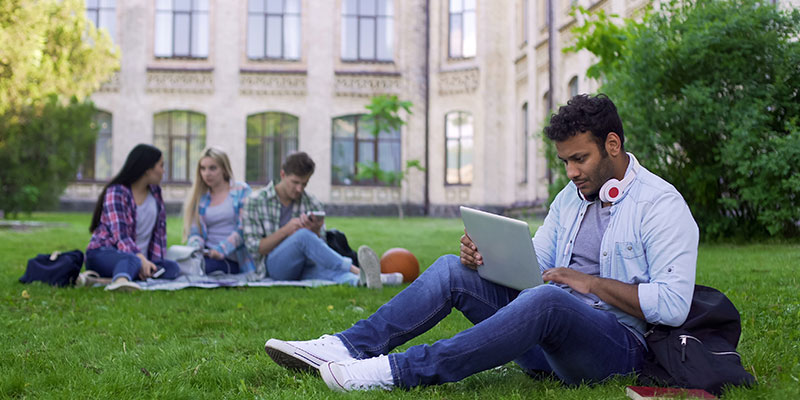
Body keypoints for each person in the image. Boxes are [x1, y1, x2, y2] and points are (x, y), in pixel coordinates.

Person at [264, 94, 699, 392]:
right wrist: (486, 259)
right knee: (454, 269)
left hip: (615, 349)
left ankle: (391, 372)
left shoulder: (660, 204)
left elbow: (674, 305)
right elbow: (539, 262)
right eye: (564, 161)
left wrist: (590, 283)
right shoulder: (571, 198)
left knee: (549, 298)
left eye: (579, 159)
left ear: (612, 144)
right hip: (546, 343)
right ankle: (346, 346)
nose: (570, 172)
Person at [240, 151, 403, 288]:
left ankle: (364, 281)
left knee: (333, 273)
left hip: (305, 265)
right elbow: (256, 248)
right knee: (302, 236)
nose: (299, 189)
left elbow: (322, 249)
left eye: (304, 183)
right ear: (282, 175)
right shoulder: (256, 201)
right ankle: (359, 270)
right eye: (295, 182)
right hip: (273, 268)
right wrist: (286, 230)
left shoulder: (312, 202)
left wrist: (316, 231)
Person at [83, 144, 180, 292]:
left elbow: (159, 234)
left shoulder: (155, 192)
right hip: (105, 253)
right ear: (148, 169)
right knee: (130, 260)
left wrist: (151, 264)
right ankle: (120, 282)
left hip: (139, 258)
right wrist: (140, 259)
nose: (164, 171)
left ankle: (100, 280)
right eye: (161, 165)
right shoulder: (116, 192)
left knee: (172, 268)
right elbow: (120, 236)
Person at [182, 147, 255, 276]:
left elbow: (243, 229)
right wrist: (196, 248)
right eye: (203, 168)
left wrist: (221, 250)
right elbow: (195, 232)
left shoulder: (241, 190)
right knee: (178, 265)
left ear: (224, 169)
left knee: (205, 268)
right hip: (207, 254)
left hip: (233, 257)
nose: (207, 173)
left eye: (212, 168)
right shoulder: (200, 197)